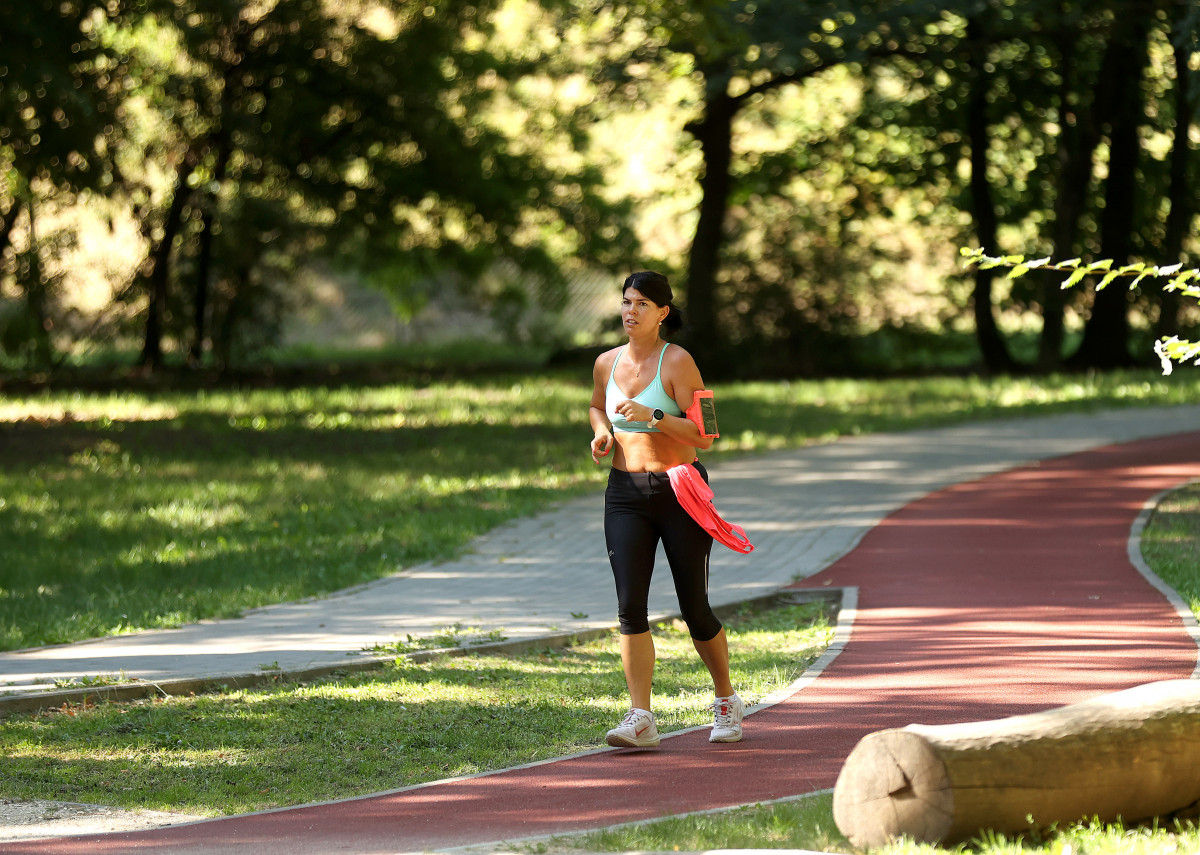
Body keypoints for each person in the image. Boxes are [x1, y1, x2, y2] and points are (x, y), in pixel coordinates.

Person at [588, 270, 744, 748]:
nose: (630, 311)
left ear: (662, 313)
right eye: (625, 302)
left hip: (680, 491)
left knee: (694, 606)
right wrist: (601, 433)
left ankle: (725, 699)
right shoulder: (606, 363)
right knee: (629, 607)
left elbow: (707, 434)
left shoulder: (678, 362)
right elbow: (598, 406)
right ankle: (641, 717)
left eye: (641, 304)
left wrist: (654, 416)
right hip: (624, 493)